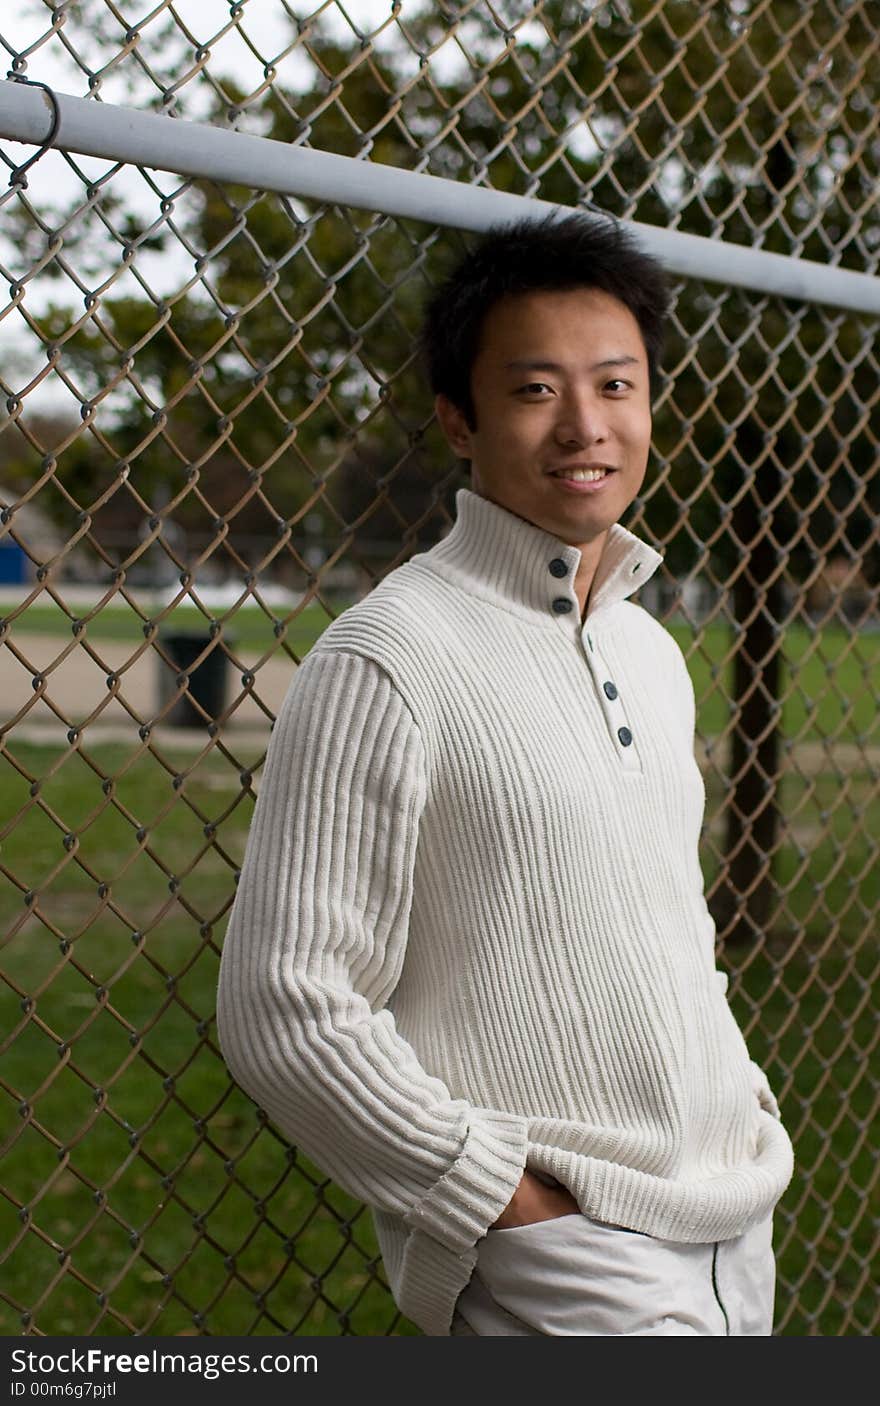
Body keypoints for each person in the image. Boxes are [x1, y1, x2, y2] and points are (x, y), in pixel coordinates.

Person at [215, 211, 794, 1337]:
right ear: (458, 420)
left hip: (737, 1209)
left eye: (615, 385)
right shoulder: (387, 658)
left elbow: (675, 928)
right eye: (534, 390)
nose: (586, 424)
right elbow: (283, 1001)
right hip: (573, 1253)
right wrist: (499, 1196)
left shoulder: (648, 646)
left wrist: (741, 1099)